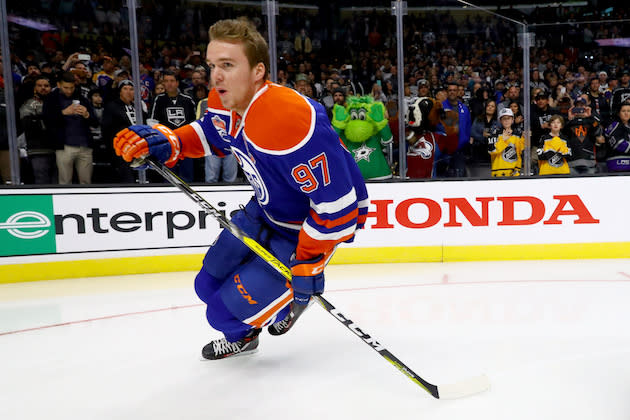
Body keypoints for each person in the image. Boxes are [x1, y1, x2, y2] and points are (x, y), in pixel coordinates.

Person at [113, 19, 368, 360]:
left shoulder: (288, 120)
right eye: (212, 66)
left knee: (219, 314)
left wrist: (309, 262)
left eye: (228, 66)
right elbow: (213, 133)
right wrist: (171, 142)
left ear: (258, 70)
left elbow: (337, 207)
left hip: (300, 233)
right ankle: (257, 319)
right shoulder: (222, 100)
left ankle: (256, 326)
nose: (215, 76)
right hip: (264, 210)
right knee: (205, 285)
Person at [43, 71, 98, 184]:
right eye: (66, 87)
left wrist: (87, 115)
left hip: (85, 146)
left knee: (86, 182)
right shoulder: (51, 99)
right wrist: (63, 112)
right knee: (64, 182)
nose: (69, 90)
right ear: (58, 85)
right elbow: (47, 120)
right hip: (64, 147)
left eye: (71, 87)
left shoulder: (82, 98)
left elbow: (95, 122)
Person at [148, 70, 197, 182]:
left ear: (177, 83)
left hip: (185, 142)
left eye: (172, 81)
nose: (169, 83)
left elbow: (194, 122)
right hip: (167, 143)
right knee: (168, 176)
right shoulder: (158, 99)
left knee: (187, 175)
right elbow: (152, 121)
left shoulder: (188, 100)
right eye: (166, 81)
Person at [102, 80, 147, 183]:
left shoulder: (138, 107)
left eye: (131, 89)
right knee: (126, 178)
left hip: (139, 148)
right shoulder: (112, 106)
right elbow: (106, 129)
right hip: (122, 149)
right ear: (120, 92)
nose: (129, 92)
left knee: (140, 176)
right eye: (125, 89)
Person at [19, 75, 56, 184]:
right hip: (38, 150)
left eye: (46, 86)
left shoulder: (56, 103)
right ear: (35, 88)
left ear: (51, 88)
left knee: (58, 184)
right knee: (42, 182)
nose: (43, 88)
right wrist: (47, 120)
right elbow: (28, 124)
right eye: (40, 85)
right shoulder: (29, 103)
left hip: (58, 150)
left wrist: (40, 118)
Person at [563, 97, 605, 175]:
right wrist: (569, 119)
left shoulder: (591, 121)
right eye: (577, 106)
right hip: (572, 162)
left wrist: (590, 116)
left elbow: (598, 129)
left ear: (586, 107)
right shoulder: (569, 122)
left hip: (589, 162)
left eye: (581, 106)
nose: (579, 108)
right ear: (573, 107)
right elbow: (563, 134)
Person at [488, 108, 524, 177]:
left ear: (512, 120)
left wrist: (525, 139)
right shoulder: (494, 134)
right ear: (500, 121)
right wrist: (503, 141)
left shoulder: (517, 135)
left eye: (508, 118)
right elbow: (491, 151)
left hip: (514, 174)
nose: (506, 121)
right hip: (498, 173)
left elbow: (520, 153)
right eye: (504, 119)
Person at [604, 101, 630, 172]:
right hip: (617, 163)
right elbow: (618, 144)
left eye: (628, 111)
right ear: (618, 113)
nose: (626, 113)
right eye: (623, 111)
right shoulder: (614, 125)